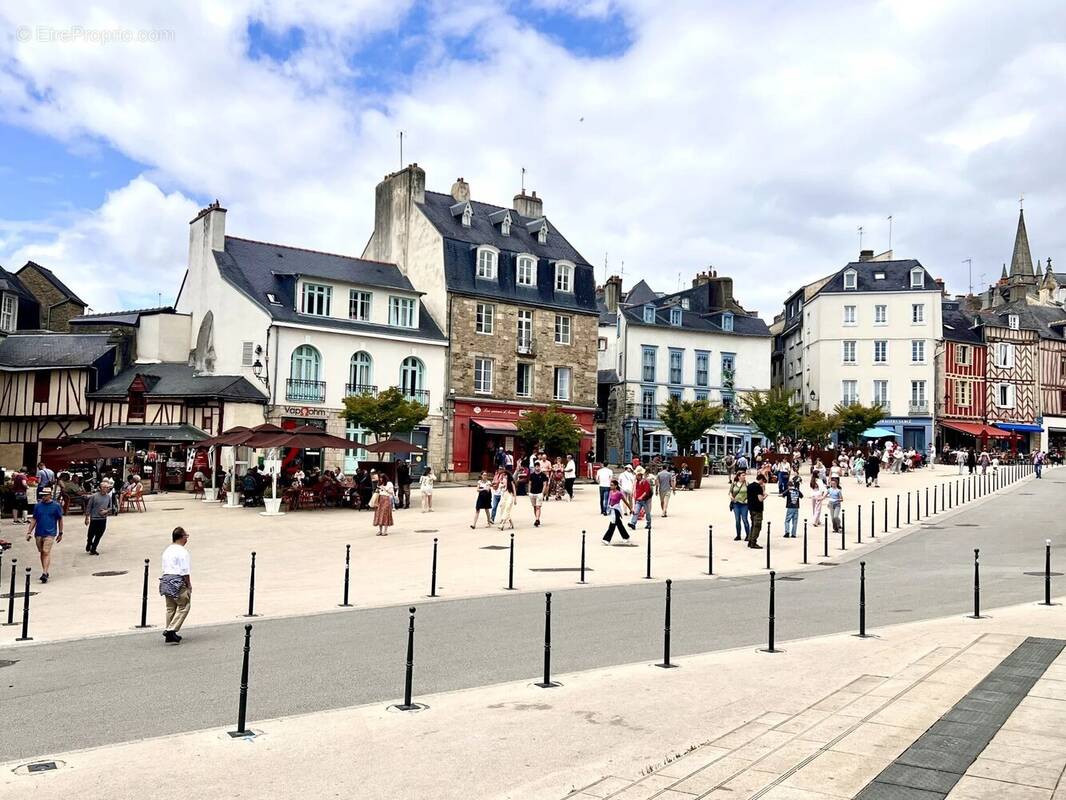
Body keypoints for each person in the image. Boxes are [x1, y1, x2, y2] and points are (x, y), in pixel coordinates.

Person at [159, 526, 192, 644]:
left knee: (170, 608)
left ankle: (169, 632)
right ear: (181, 538)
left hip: (166, 580)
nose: (187, 539)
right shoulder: (183, 551)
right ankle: (171, 630)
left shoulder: (167, 550)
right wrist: (188, 585)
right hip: (178, 580)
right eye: (186, 536)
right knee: (184, 606)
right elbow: (185, 571)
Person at [27, 485, 63, 582]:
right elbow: (34, 519)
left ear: (50, 495)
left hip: (50, 533)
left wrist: (60, 533)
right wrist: (29, 531)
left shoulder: (56, 506)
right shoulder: (38, 506)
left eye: (45, 495)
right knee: (42, 552)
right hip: (39, 533)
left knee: (46, 551)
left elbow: (60, 519)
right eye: (42, 495)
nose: (43, 497)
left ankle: (44, 572)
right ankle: (45, 571)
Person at [83, 478, 113, 555]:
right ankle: (89, 542)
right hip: (94, 518)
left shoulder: (108, 497)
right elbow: (89, 507)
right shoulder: (94, 496)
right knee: (91, 534)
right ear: (100, 488)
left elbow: (111, 507)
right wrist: (87, 518)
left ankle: (93, 549)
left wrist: (106, 511)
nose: (106, 489)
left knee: (99, 534)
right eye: (104, 487)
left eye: (107, 488)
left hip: (103, 518)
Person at [602, 479, 632, 544]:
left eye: (612, 485)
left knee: (612, 525)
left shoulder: (619, 493)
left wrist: (630, 509)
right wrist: (607, 509)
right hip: (612, 510)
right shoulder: (610, 492)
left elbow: (625, 502)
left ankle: (606, 539)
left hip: (616, 510)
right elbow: (609, 501)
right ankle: (626, 537)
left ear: (616, 486)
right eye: (610, 485)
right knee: (619, 525)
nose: (611, 486)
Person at [746, 474, 767, 549]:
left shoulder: (750, 486)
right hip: (757, 509)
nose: (763, 483)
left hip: (751, 508)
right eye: (763, 481)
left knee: (753, 525)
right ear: (761, 479)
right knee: (757, 526)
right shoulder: (758, 487)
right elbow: (760, 499)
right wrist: (765, 495)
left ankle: (750, 541)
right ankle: (753, 542)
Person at [729, 471, 750, 541]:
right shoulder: (734, 483)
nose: (744, 476)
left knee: (745, 519)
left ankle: (748, 535)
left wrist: (747, 499)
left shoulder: (747, 484)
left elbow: (750, 493)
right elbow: (730, 492)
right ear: (739, 476)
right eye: (743, 475)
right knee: (737, 520)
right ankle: (738, 535)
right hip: (736, 504)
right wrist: (732, 497)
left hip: (744, 504)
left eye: (744, 475)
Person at [528, 462, 548, 527]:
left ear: (540, 467)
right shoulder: (532, 475)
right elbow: (530, 483)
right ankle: (537, 519)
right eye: (536, 466)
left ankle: (536, 520)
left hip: (539, 493)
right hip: (532, 493)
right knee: (534, 507)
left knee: (538, 507)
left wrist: (543, 492)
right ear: (534, 467)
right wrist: (529, 492)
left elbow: (545, 484)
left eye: (538, 466)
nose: (537, 468)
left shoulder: (543, 475)